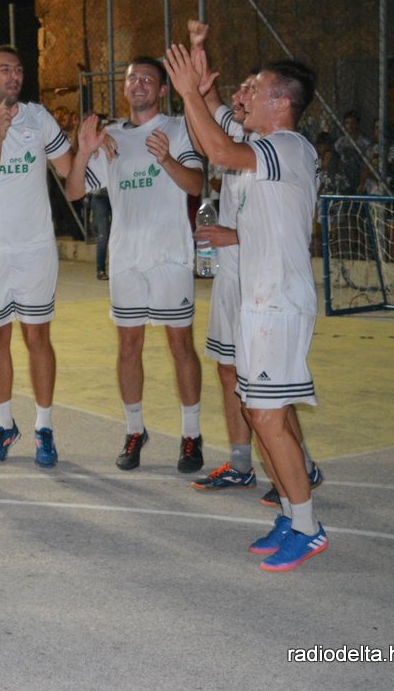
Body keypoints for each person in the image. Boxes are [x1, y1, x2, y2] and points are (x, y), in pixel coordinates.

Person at [165, 43, 328, 572]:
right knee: (260, 413)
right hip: (262, 297)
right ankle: (290, 513)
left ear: (281, 103)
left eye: (256, 89)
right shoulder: (267, 148)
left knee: (268, 416)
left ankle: (308, 527)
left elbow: (217, 148)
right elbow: (218, 135)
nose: (247, 95)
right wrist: (199, 95)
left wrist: (189, 92)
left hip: (278, 300)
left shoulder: (288, 145)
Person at [65, 57, 206, 474]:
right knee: (129, 346)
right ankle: (134, 430)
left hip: (169, 256)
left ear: (162, 90)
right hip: (126, 258)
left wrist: (167, 160)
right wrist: (84, 150)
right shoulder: (111, 137)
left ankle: (191, 434)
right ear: (124, 88)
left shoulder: (179, 129)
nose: (139, 84)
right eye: (132, 79)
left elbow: (197, 184)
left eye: (148, 79)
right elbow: (73, 191)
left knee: (180, 345)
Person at [0, 45, 73, 467]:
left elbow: (68, 168)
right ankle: (5, 424)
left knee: (37, 338)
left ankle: (44, 428)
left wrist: (95, 146)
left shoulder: (39, 117)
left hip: (35, 248)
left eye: (19, 70)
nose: (14, 76)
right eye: (5, 70)